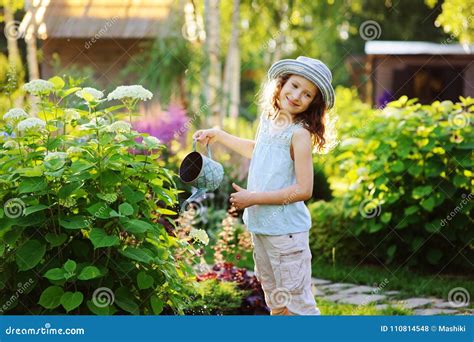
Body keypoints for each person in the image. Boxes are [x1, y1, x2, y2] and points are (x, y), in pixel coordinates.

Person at [193, 56, 335, 315]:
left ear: (313, 104)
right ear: (281, 84)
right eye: (294, 86)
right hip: (263, 229)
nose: (296, 95)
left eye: (307, 94)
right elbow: (259, 152)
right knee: (276, 304)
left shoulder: (300, 134)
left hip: (286, 234)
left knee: (298, 308)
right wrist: (220, 134)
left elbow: (305, 189)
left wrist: (254, 197)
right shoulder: (269, 122)